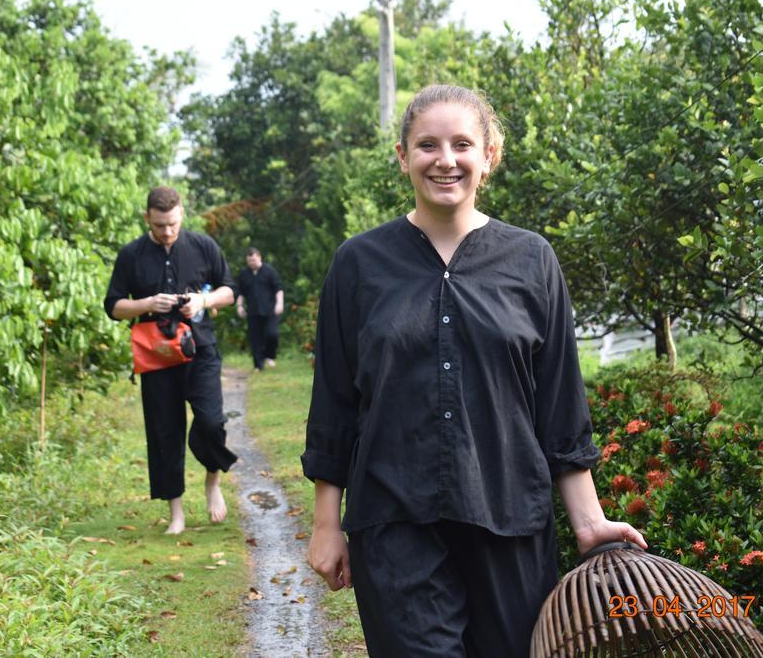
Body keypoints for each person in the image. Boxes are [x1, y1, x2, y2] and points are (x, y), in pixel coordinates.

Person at [302, 85, 648, 657]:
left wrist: (588, 522)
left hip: (512, 521)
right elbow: (335, 402)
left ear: (489, 154)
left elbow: (559, 403)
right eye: (427, 145)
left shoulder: (531, 259)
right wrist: (325, 522)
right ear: (402, 156)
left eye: (463, 144)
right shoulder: (358, 264)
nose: (445, 159)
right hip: (393, 523)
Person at [105, 186, 238, 535]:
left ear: (182, 214)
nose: (167, 231)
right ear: (147, 217)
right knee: (164, 432)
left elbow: (228, 291)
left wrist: (201, 302)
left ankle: (212, 481)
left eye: (173, 224)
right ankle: (175, 513)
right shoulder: (131, 254)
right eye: (160, 225)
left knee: (211, 422)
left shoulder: (202, 246)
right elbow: (114, 306)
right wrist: (147, 304)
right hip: (155, 355)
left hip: (200, 349)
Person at [236, 247, 284, 370]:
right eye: (249, 261)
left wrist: (279, 304)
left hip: (270, 311)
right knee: (255, 339)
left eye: (254, 260)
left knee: (271, 334)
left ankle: (270, 356)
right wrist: (240, 306)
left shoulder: (269, 271)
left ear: (259, 257)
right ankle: (258, 365)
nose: (252, 263)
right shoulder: (244, 274)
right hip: (253, 311)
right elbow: (241, 292)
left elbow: (278, 289)